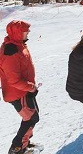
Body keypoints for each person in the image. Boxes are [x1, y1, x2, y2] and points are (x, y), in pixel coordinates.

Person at [0, 20, 40, 154]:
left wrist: (30, 87)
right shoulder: (10, 51)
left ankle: (25, 142)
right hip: (17, 92)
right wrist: (31, 87)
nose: (28, 32)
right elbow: (14, 80)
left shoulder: (18, 44)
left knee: (33, 116)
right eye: (25, 30)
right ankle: (17, 148)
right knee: (31, 118)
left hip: (24, 90)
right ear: (17, 33)